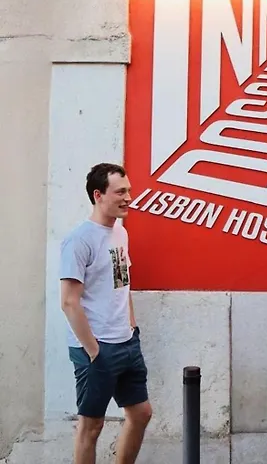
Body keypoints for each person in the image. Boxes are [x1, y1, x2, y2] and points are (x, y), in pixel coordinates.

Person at [59, 163, 152, 464]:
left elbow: (122, 282)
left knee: (141, 413)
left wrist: (132, 327)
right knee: (91, 426)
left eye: (129, 191)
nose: (128, 198)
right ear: (98, 195)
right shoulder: (79, 240)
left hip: (127, 342)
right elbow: (69, 302)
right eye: (120, 192)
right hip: (97, 348)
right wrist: (93, 350)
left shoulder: (120, 233)